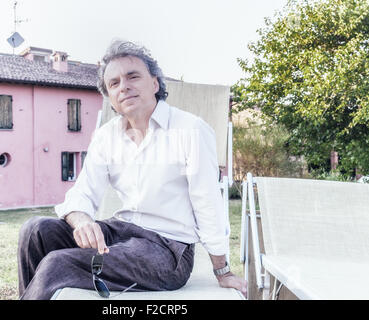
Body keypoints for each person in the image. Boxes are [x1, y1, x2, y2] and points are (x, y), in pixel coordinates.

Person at [17, 40, 247, 300]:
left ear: (155, 83)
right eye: (114, 83)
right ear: (111, 99)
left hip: (166, 250)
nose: (123, 87)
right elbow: (83, 191)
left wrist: (223, 270)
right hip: (118, 234)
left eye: (132, 77)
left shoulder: (191, 130)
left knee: (58, 265)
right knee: (35, 231)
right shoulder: (106, 136)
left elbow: (208, 204)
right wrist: (82, 220)